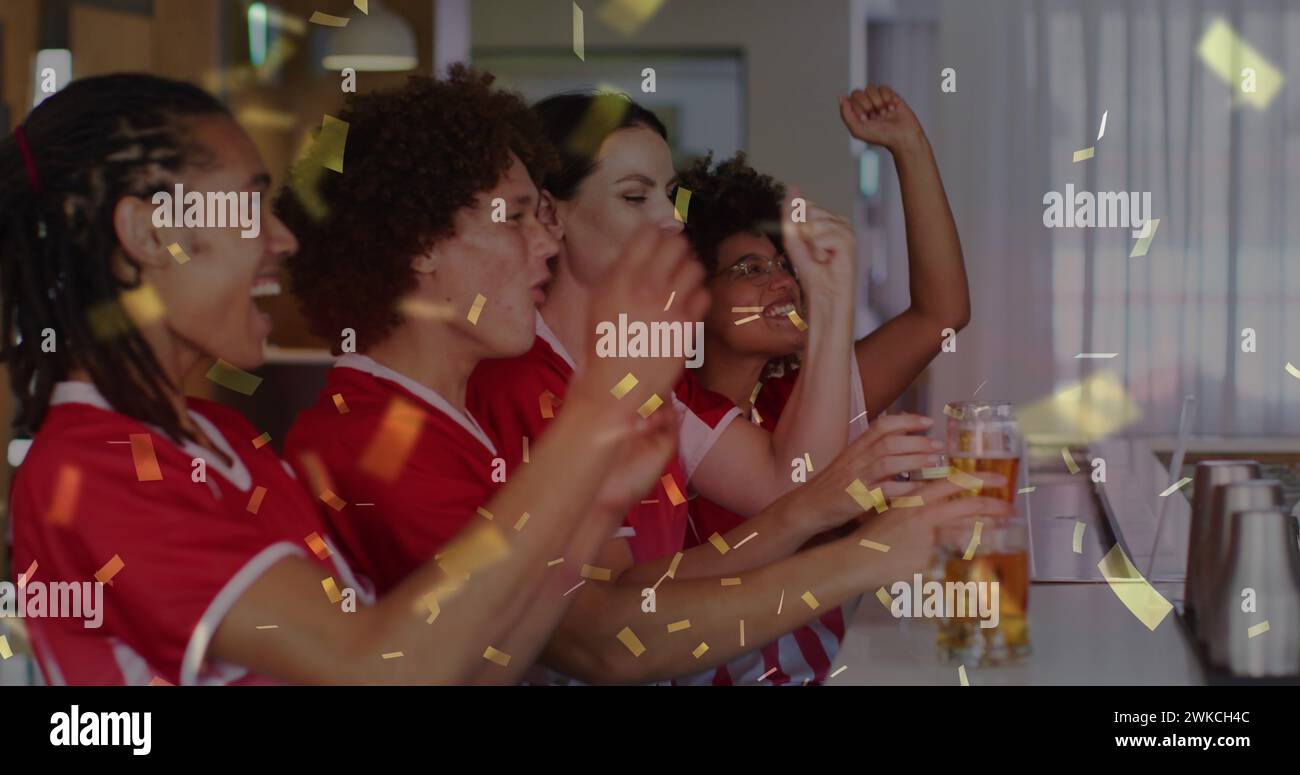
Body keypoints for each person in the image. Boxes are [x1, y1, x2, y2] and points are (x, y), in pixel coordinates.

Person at [2, 72, 677, 686]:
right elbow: (375, 666)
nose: (284, 240)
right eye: (248, 207)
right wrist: (582, 438)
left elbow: (463, 665)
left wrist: (584, 507)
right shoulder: (91, 469)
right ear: (149, 234)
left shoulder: (223, 434)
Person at [467, 91, 1006, 683]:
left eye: (669, 196)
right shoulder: (525, 380)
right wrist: (858, 549)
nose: (673, 219)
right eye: (634, 197)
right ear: (552, 214)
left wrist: (829, 298)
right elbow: (606, 635)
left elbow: (781, 487)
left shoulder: (649, 381)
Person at [670, 84, 972, 683]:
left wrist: (908, 147)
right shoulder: (679, 407)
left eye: (784, 264)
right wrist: (833, 301)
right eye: (750, 269)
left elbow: (941, 315)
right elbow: (796, 492)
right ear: (694, 298)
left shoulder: (793, 397)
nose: (783, 281)